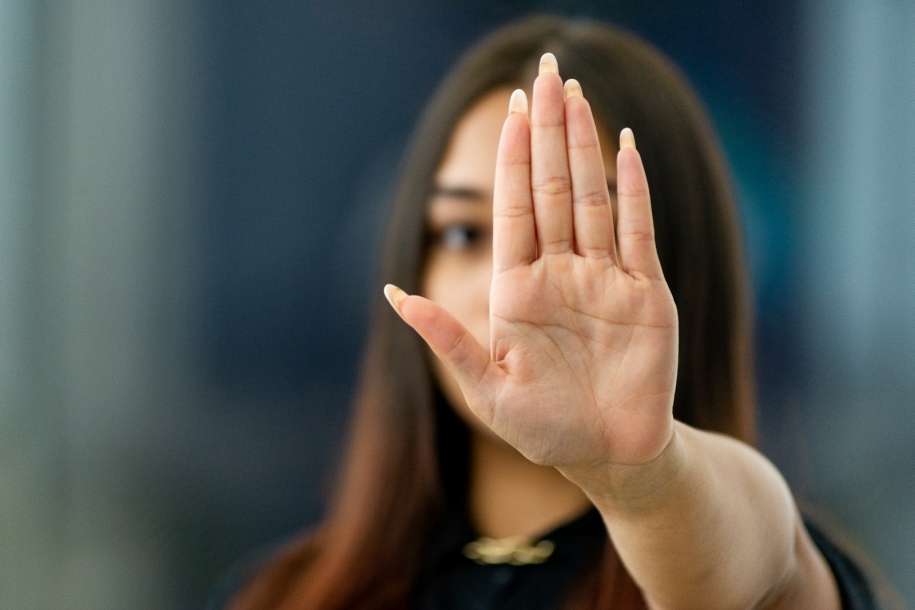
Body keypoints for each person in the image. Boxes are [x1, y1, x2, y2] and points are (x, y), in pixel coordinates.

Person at [219, 15, 882, 610]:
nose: (513, 290)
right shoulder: (283, 594)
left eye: (572, 238)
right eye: (462, 233)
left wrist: (637, 476)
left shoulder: (772, 568)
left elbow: (753, 565)